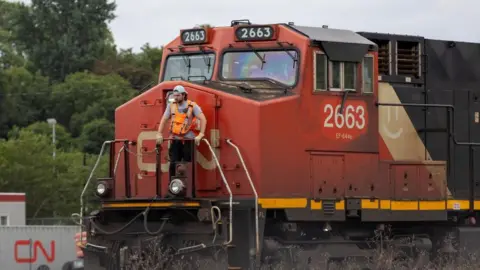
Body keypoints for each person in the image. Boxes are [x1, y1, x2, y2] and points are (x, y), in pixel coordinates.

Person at [156, 85, 207, 180]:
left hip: (188, 139)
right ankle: (172, 187)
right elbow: (164, 119)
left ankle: (189, 189)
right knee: (173, 163)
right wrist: (159, 133)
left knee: (188, 163)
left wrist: (201, 135)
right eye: (174, 95)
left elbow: (203, 119)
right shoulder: (171, 106)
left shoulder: (192, 106)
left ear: (184, 95)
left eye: (178, 95)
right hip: (175, 139)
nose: (176, 97)